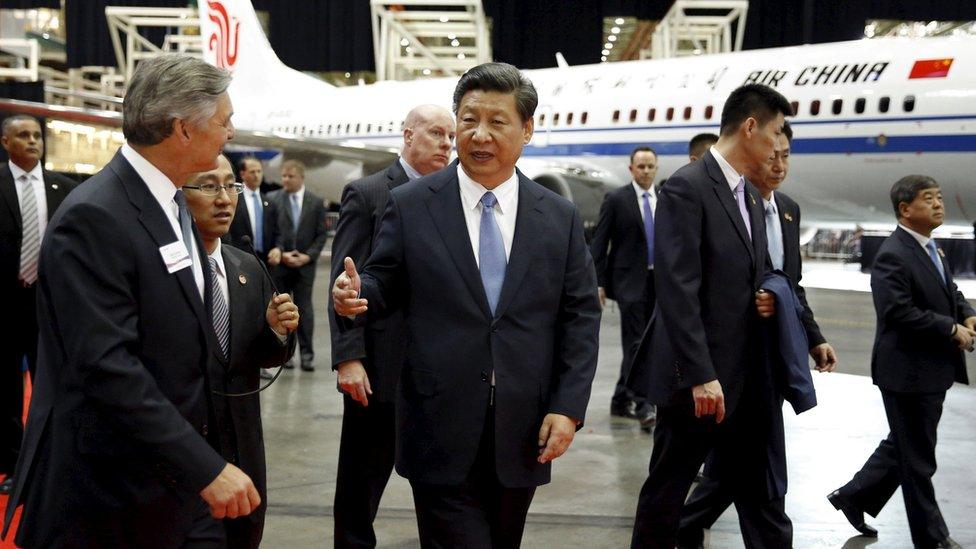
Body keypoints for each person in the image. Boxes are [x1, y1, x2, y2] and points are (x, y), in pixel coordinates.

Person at [333, 62, 601, 548]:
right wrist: (357, 295)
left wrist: (567, 408)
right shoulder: (413, 203)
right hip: (438, 419)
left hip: (524, 425)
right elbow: (383, 279)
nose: (479, 135)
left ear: (528, 129)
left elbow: (580, 315)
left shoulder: (557, 216)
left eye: (497, 122)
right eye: (468, 119)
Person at [1, 55, 260, 548]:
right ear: (183, 128)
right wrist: (205, 467)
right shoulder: (97, 217)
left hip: (167, 485)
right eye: (224, 121)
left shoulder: (165, 204)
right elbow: (107, 367)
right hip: (109, 497)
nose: (231, 132)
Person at [630, 83, 792, 548]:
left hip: (747, 378)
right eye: (775, 132)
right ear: (749, 127)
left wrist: (772, 299)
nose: (778, 144)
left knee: (761, 492)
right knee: (668, 489)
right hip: (698, 381)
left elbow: (756, 274)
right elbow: (678, 290)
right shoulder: (689, 186)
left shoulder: (748, 194)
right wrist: (700, 373)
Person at [677, 120, 838, 546]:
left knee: (736, 466)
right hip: (729, 357)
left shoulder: (787, 209)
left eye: (785, 156)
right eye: (772, 154)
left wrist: (814, 336)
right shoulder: (728, 204)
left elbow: (791, 282)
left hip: (773, 354)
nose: (779, 164)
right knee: (756, 466)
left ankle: (686, 525)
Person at [328, 104, 455, 548]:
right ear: (407, 135)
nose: (447, 144)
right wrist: (349, 357)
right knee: (361, 481)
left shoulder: (454, 194)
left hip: (438, 367)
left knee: (441, 483)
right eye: (437, 134)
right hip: (380, 367)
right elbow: (344, 283)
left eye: (450, 136)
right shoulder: (368, 193)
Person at [828, 175, 975, 549]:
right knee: (918, 460)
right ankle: (933, 539)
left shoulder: (931, 248)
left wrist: (966, 313)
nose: (939, 204)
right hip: (906, 372)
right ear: (905, 210)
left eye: (940, 197)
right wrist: (949, 329)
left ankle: (853, 496)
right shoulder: (894, 253)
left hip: (931, 370)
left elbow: (949, 291)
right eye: (930, 199)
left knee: (905, 446)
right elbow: (897, 312)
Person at [183, 154, 299, 548]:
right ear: (179, 194)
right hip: (187, 450)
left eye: (230, 186)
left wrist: (275, 330)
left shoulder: (245, 265)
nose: (224, 199)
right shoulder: (165, 268)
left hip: (244, 446)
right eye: (208, 186)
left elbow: (264, 357)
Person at [0, 115, 76, 495]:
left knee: (50, 384)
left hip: (49, 304)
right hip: (5, 303)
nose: (32, 141)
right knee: (7, 391)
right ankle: (14, 464)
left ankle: (46, 461)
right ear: (5, 142)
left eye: (36, 135)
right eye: (23, 135)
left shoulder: (64, 188)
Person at [589, 146, 659, 429]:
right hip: (629, 283)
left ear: (656, 168)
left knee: (646, 343)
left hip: (659, 283)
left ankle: (620, 399)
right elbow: (599, 242)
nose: (645, 171)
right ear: (631, 169)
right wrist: (598, 282)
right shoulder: (617, 199)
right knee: (636, 344)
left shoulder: (663, 199)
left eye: (650, 166)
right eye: (640, 166)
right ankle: (644, 405)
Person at [274, 159, 327, 371]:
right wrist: (282, 253)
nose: (285, 180)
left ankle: (307, 355)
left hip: (305, 266)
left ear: (301, 178)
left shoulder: (315, 202)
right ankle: (286, 355)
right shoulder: (273, 199)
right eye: (284, 176)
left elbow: (321, 235)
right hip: (282, 265)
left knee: (304, 309)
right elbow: (271, 231)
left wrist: (308, 256)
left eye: (290, 176)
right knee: (284, 311)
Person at [229, 155, 281, 265]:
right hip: (238, 260)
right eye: (252, 172)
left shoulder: (270, 203)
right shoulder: (234, 198)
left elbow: (278, 232)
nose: (257, 175)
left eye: (259, 171)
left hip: (266, 262)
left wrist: (278, 248)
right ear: (242, 174)